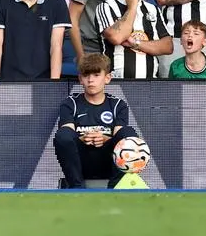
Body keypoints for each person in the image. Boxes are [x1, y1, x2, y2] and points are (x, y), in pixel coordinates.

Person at [53, 53, 140, 188]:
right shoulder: (70, 103)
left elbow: (121, 136)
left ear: (107, 78)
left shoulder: (118, 105)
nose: (90, 80)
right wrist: (85, 138)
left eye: (96, 75)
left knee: (129, 133)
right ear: (80, 79)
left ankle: (115, 188)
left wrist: (104, 138)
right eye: (86, 75)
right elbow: (66, 133)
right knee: (62, 134)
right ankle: (77, 188)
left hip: (109, 162)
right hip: (81, 162)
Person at [95, 0, 174, 78]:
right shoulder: (105, 7)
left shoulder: (152, 9)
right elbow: (117, 37)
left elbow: (167, 46)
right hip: (116, 84)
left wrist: (136, 43)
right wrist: (132, 7)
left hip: (149, 86)